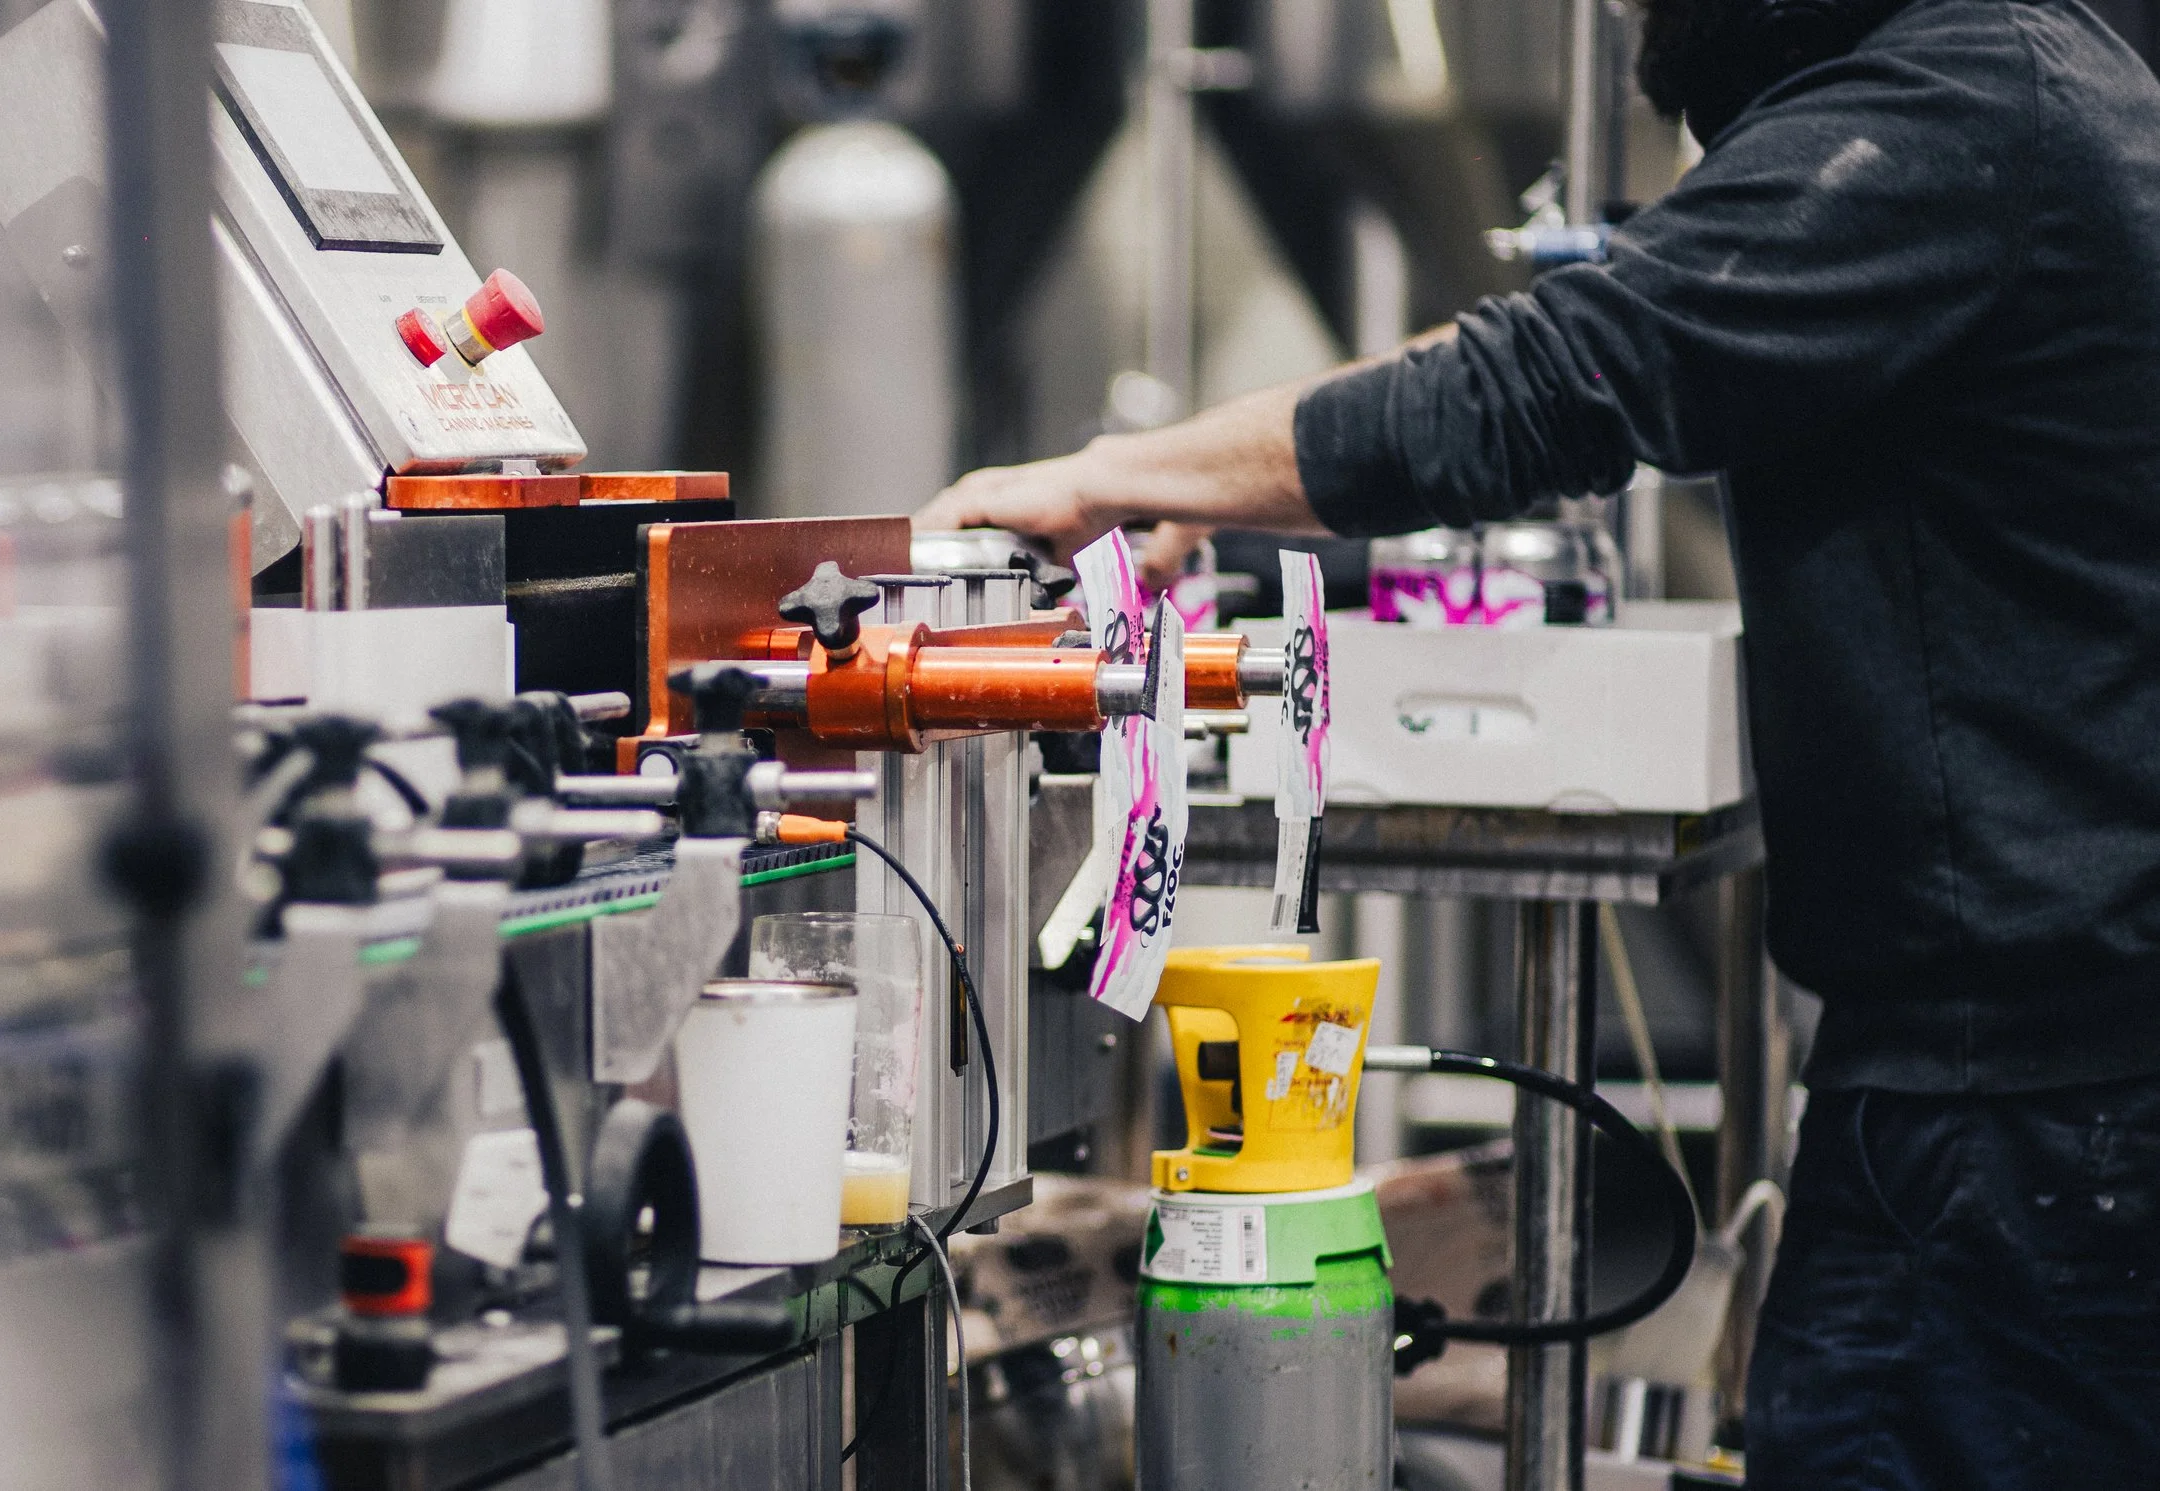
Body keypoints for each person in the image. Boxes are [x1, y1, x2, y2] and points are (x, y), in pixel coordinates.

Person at [915, 0, 2160, 1481]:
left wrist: (1108, 477)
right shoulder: (2044, 82)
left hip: (2014, 1120)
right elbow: (1606, 309)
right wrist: (1212, 480)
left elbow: (1553, 374)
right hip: (2046, 1079)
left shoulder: (1958, 116)